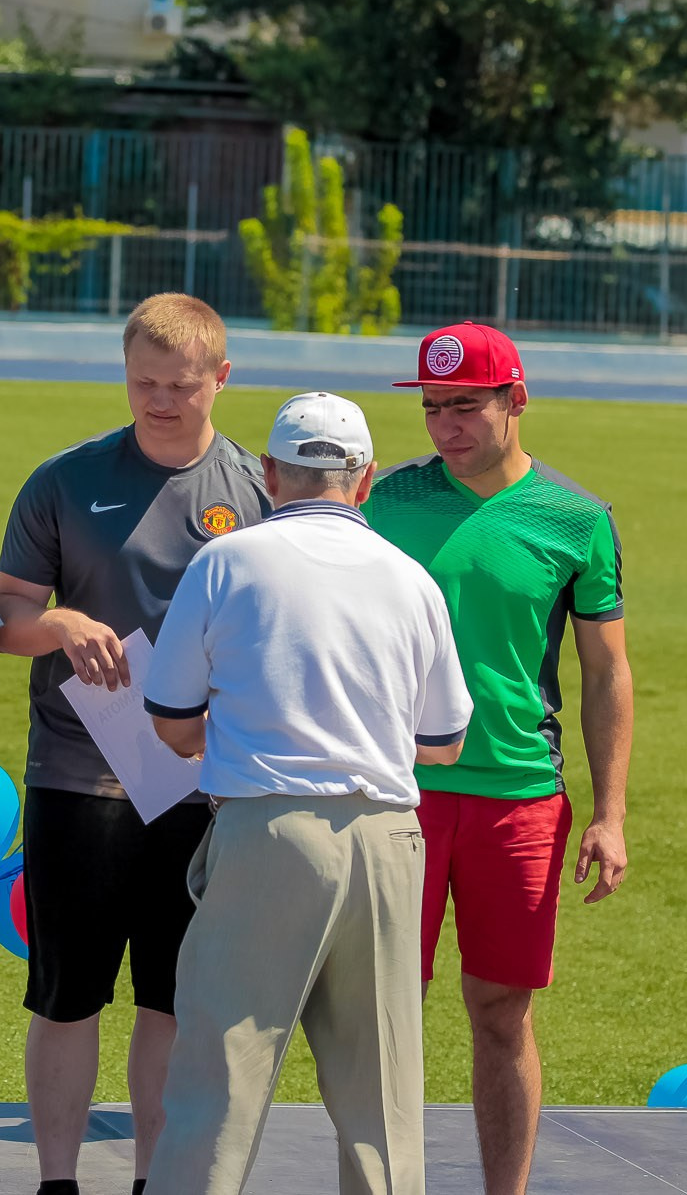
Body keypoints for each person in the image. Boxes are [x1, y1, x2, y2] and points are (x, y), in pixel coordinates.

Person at [139, 391, 473, 1195]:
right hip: (389, 837)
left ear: (269, 474)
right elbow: (446, 740)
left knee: (220, 1086)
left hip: (269, 831)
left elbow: (172, 721)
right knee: (383, 1099)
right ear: (365, 481)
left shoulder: (227, 561)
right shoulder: (410, 577)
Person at [0, 293, 270, 1195]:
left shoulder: (260, 492)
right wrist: (61, 620)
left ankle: (156, 1179)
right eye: (143, 382)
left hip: (203, 787)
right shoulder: (63, 481)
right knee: (68, 995)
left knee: (172, 999)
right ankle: (58, 1181)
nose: (158, 400)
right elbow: (8, 615)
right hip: (80, 778)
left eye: (180, 385)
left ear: (221, 378)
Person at [364, 321, 634, 1195]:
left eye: (466, 406)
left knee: (501, 1012)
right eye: (434, 408)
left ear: (515, 399)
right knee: (380, 1012)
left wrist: (610, 812)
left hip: (518, 796)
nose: (447, 425)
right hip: (392, 791)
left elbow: (606, 671)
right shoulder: (385, 501)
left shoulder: (578, 519)